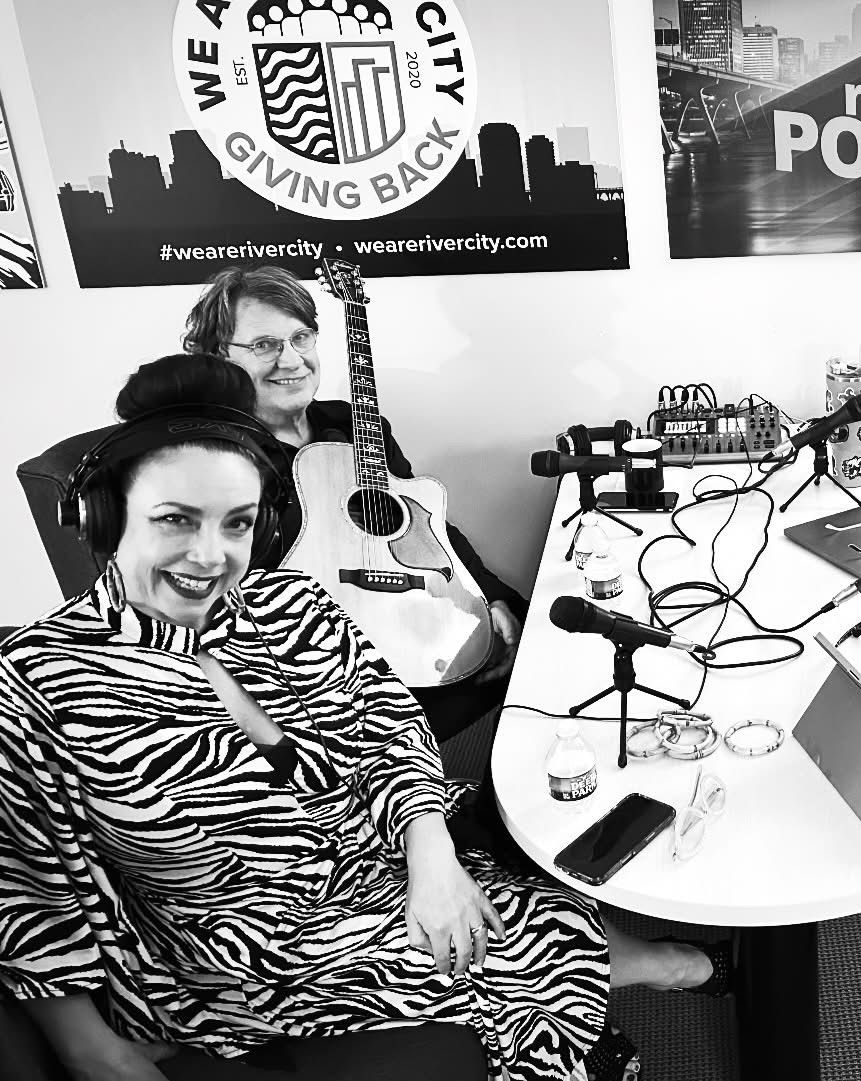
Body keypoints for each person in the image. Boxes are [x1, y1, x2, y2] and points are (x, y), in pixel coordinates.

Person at [0, 357, 727, 1081]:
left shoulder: (288, 603)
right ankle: (666, 972)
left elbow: (391, 724)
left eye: (239, 522)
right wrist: (88, 1046)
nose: (210, 555)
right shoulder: (36, 679)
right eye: (173, 519)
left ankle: (621, 997)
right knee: (527, 935)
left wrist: (430, 857)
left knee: (529, 887)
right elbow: (30, 891)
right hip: (241, 949)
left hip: (370, 862)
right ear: (101, 515)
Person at [181, 264, 520, 745]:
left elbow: (424, 525)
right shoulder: (209, 458)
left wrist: (489, 598)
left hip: (421, 635)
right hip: (317, 682)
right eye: (263, 345)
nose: (291, 360)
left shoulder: (356, 424)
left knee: (537, 666)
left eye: (301, 338)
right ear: (219, 356)